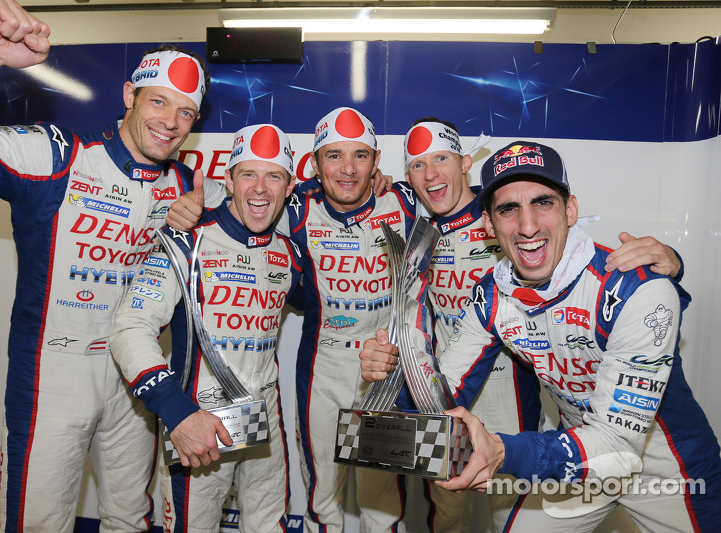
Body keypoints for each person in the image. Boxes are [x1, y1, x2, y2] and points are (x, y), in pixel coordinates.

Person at [0, 0, 225, 530]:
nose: (170, 123)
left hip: (136, 380)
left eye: (186, 113)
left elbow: (272, 208)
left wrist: (382, 191)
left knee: (129, 519)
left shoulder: (186, 187)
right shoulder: (55, 157)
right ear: (129, 95)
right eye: (159, 102)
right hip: (51, 377)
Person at [361, 140, 721, 532]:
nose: (528, 226)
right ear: (489, 225)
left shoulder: (637, 288)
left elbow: (618, 444)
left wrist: (502, 451)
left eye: (543, 203)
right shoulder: (493, 293)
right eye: (508, 209)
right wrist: (394, 376)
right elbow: (442, 395)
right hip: (577, 449)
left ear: (571, 210)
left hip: (666, 464)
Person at [111, 124, 300, 532]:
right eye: (248, 174)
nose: (260, 189)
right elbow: (129, 326)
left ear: (290, 186)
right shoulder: (186, 242)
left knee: (269, 525)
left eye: (274, 176)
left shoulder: (290, 253)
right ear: (227, 179)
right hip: (200, 421)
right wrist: (177, 413)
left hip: (264, 418)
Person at [287, 107, 417, 533]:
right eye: (334, 156)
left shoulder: (402, 201)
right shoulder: (296, 210)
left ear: (377, 161)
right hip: (323, 368)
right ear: (314, 162)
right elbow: (235, 201)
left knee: (380, 497)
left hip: (385, 368)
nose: (347, 169)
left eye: (360, 156)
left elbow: (470, 202)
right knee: (320, 491)